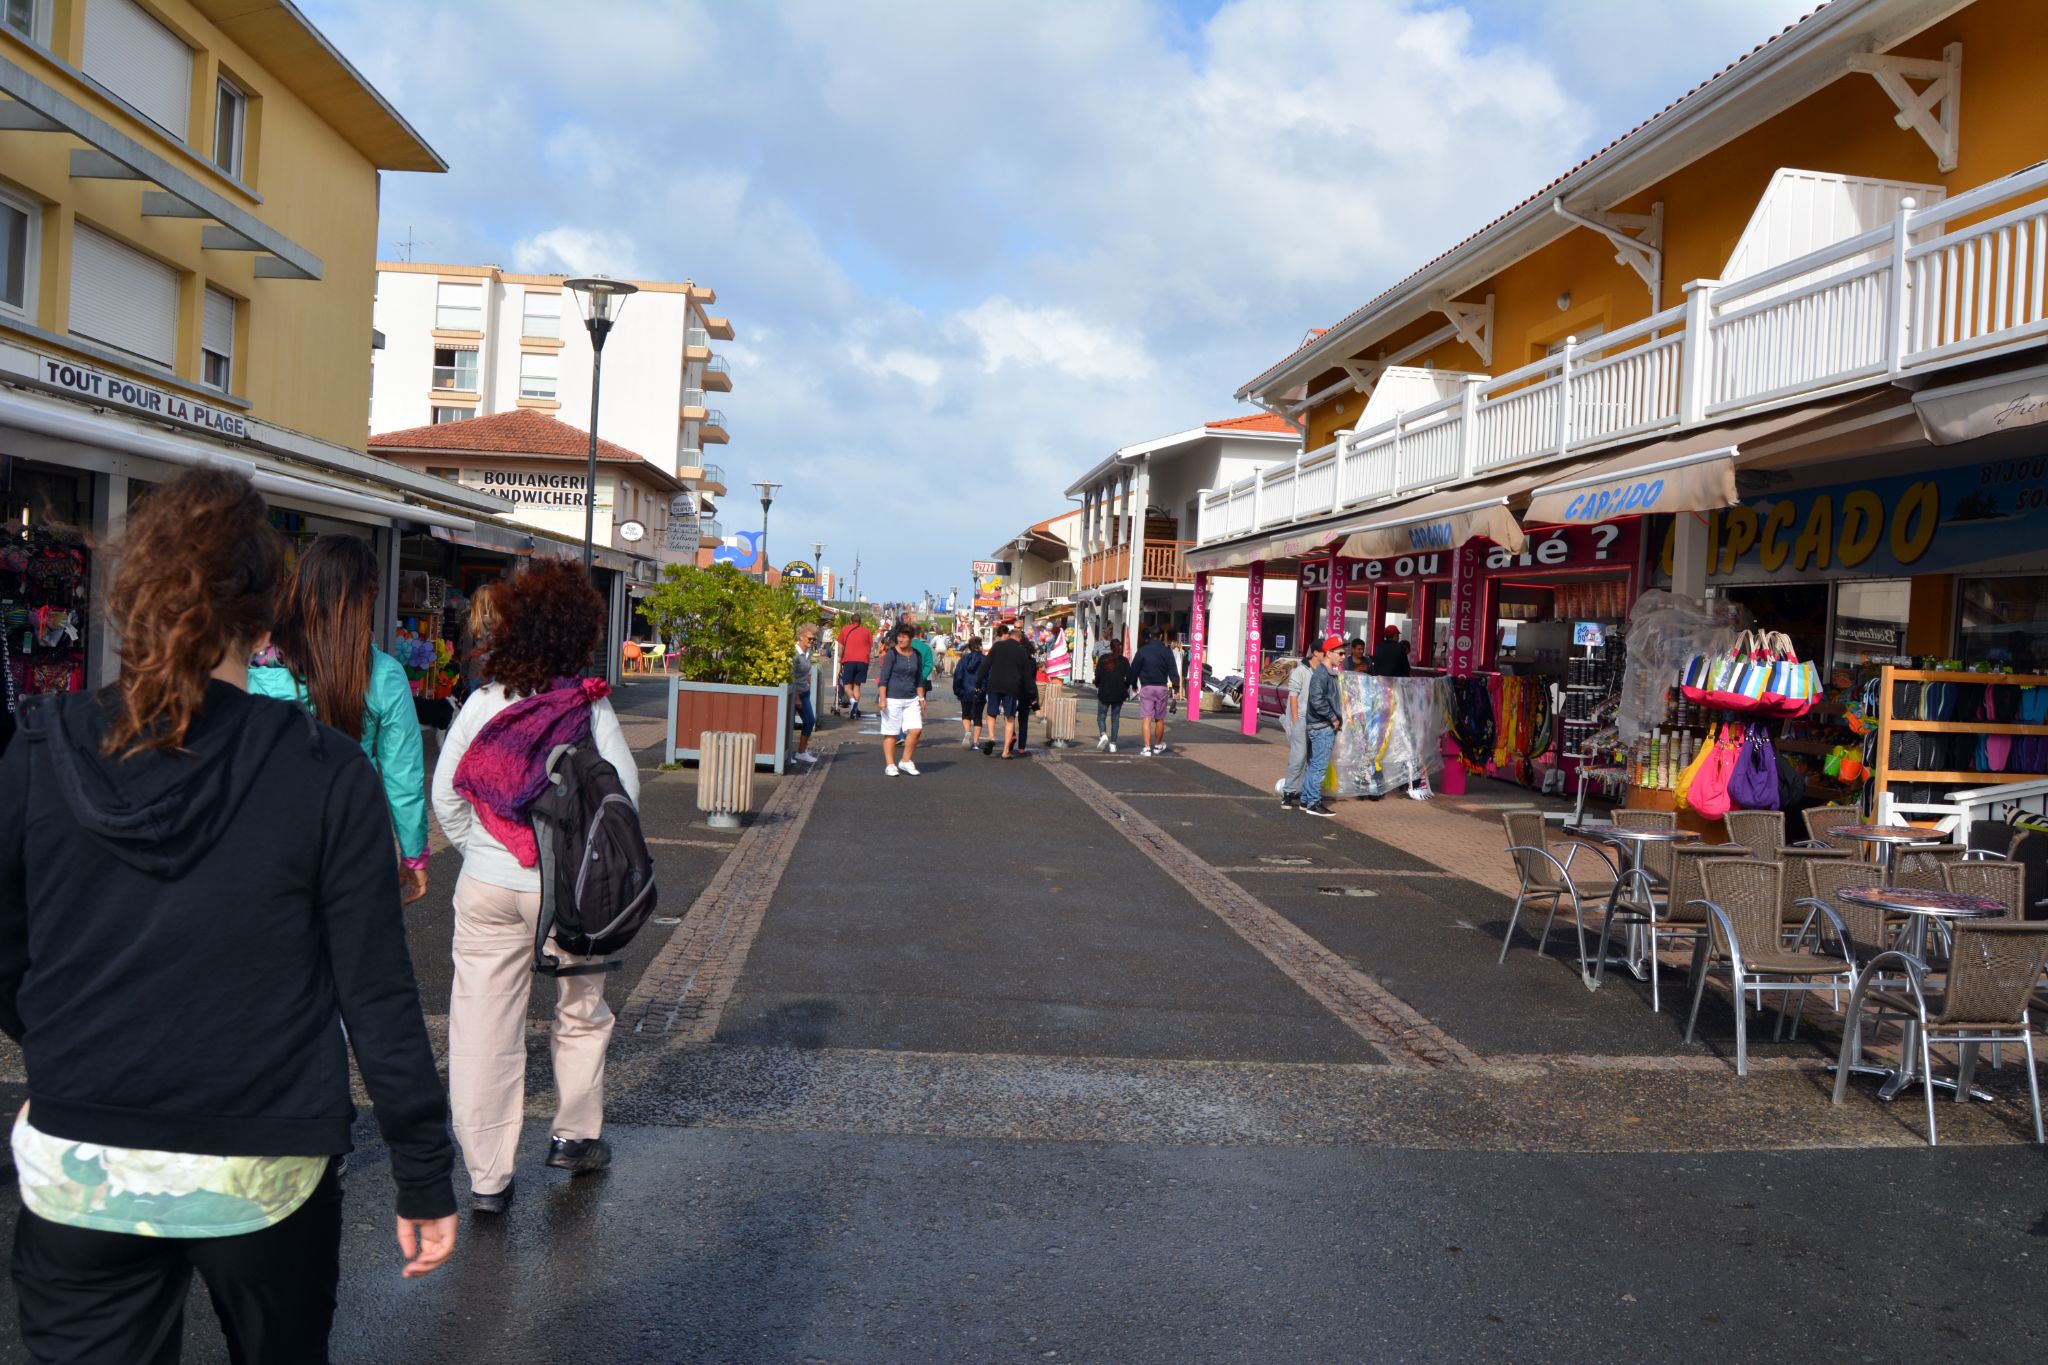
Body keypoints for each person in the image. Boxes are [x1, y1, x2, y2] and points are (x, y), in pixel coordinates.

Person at [0, 468, 457, 1362]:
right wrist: (423, 1172)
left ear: (130, 599)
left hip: (85, 1156)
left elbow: (8, 949)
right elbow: (376, 993)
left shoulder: (39, 749)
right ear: (265, 613)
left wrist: (63, 1035)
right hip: (264, 1162)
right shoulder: (326, 773)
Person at [432, 558, 638, 1214]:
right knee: (581, 1008)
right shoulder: (587, 703)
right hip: (569, 893)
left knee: (482, 1024)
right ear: (578, 634)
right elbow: (623, 798)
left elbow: (447, 795)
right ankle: (574, 1136)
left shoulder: (483, 701)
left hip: (488, 887)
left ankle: (487, 1178)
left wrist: (482, 849)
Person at [250, 534, 431, 906]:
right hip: (350, 844)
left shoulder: (252, 665)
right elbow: (402, 778)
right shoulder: (383, 675)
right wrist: (413, 855)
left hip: (261, 839)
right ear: (367, 600)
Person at [1299, 635, 1346, 818]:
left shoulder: (1325, 673)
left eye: (1344, 653)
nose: (1343, 657)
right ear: (1329, 653)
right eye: (1340, 653)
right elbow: (1317, 700)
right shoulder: (1322, 674)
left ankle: (1306, 800)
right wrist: (1333, 718)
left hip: (1320, 725)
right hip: (1322, 726)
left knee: (1314, 765)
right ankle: (1313, 803)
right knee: (1319, 766)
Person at [875, 626, 924, 775]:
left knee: (916, 729)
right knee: (891, 732)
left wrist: (921, 698)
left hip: (911, 698)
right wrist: (883, 699)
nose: (900, 639)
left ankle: (905, 761)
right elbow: (883, 679)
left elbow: (919, 679)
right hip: (892, 698)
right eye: (899, 636)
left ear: (911, 638)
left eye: (904, 637)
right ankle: (890, 765)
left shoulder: (916, 655)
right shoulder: (892, 654)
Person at [980, 622, 1032, 759]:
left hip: (995, 683)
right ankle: (1005, 751)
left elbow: (986, 665)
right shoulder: (1021, 651)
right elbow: (1027, 675)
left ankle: (991, 737)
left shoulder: (997, 646)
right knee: (1009, 717)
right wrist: (1031, 692)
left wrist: (978, 682)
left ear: (1009, 636)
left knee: (991, 712)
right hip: (1011, 686)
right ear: (1019, 639)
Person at [1129, 627, 1181, 756]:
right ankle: (1158, 746)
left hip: (1146, 687)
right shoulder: (1166, 651)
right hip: (1161, 688)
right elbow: (1173, 670)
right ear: (1161, 636)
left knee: (1146, 718)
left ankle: (1147, 748)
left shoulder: (1142, 650)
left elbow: (1134, 669)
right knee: (1159, 719)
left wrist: (1133, 684)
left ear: (1150, 636)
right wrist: (1176, 688)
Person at [1278, 648, 1315, 808]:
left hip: (1316, 721)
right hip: (1301, 719)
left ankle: (1304, 793)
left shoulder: (1322, 671)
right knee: (1298, 757)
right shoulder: (1300, 671)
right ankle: (1288, 792)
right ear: (1316, 653)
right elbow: (1293, 696)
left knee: (1312, 760)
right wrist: (1295, 721)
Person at [459, 579, 506, 702]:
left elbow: (466, 652)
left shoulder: (473, 625)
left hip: (475, 673)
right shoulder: (502, 626)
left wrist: (463, 673)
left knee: (475, 706)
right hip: (496, 674)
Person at [1093, 635, 1131, 752]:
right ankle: (1113, 744)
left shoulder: (1103, 658)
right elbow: (1129, 678)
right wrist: (1125, 687)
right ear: (1120, 648)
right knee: (1115, 718)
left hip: (1105, 691)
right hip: (1119, 692)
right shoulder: (1124, 661)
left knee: (1101, 716)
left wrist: (1097, 684)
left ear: (1110, 647)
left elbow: (1097, 675)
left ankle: (1103, 734)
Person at [790, 622, 820, 766]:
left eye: (814, 639)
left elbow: (806, 672)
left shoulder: (807, 653)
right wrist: (796, 697)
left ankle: (801, 752)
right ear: (801, 636)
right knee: (789, 724)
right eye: (810, 638)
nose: (812, 641)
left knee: (809, 721)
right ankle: (787, 754)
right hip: (795, 694)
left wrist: (808, 681)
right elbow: (791, 676)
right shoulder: (795, 654)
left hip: (805, 692)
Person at [837, 614, 873, 720]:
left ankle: (853, 702)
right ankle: (855, 710)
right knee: (857, 686)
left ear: (851, 621)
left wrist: (840, 659)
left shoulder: (845, 629)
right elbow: (870, 646)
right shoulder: (866, 631)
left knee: (847, 687)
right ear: (860, 621)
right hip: (863, 661)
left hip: (849, 660)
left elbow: (840, 647)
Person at [953, 635, 987, 749]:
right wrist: (985, 688)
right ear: (980, 646)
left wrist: (957, 690)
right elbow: (989, 676)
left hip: (965, 690)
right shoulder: (985, 659)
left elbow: (958, 675)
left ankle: (967, 732)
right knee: (978, 717)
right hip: (980, 691)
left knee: (966, 714)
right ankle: (976, 742)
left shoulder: (964, 659)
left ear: (970, 647)